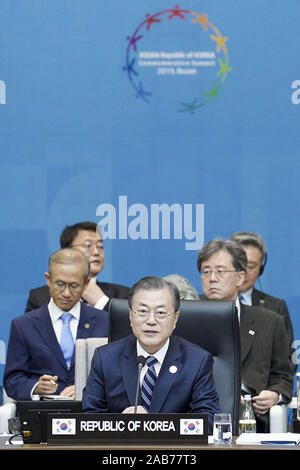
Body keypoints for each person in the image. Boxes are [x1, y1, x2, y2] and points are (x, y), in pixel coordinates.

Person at [82, 276, 220, 432]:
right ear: (130, 316)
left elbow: (209, 421)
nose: (151, 320)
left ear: (175, 318)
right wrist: (121, 424)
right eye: (142, 311)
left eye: (161, 313)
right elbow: (89, 418)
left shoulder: (197, 361)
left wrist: (152, 425)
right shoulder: (105, 358)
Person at [197, 238, 293, 432]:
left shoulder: (270, 321)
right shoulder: (185, 315)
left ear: (240, 278)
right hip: (198, 417)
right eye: (206, 271)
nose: (212, 278)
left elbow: (282, 376)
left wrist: (274, 394)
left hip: (252, 419)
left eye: (220, 271)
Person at [4, 248, 109, 401]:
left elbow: (116, 376)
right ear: (48, 280)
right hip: (42, 414)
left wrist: (85, 388)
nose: (66, 293)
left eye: (74, 286)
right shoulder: (23, 326)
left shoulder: (104, 322)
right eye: (60, 284)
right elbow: (12, 380)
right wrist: (36, 387)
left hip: (88, 413)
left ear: (86, 284)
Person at [25, 221, 129, 312]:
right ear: (67, 251)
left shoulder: (123, 296)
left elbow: (131, 331)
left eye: (100, 246)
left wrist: (102, 302)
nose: (97, 252)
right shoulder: (40, 297)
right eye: (88, 245)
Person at [229, 230, 295, 372]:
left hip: (261, 391)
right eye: (239, 264)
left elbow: (287, 361)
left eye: (251, 266)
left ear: (261, 269)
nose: (243, 273)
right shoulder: (206, 304)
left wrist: (272, 391)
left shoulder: (275, 307)